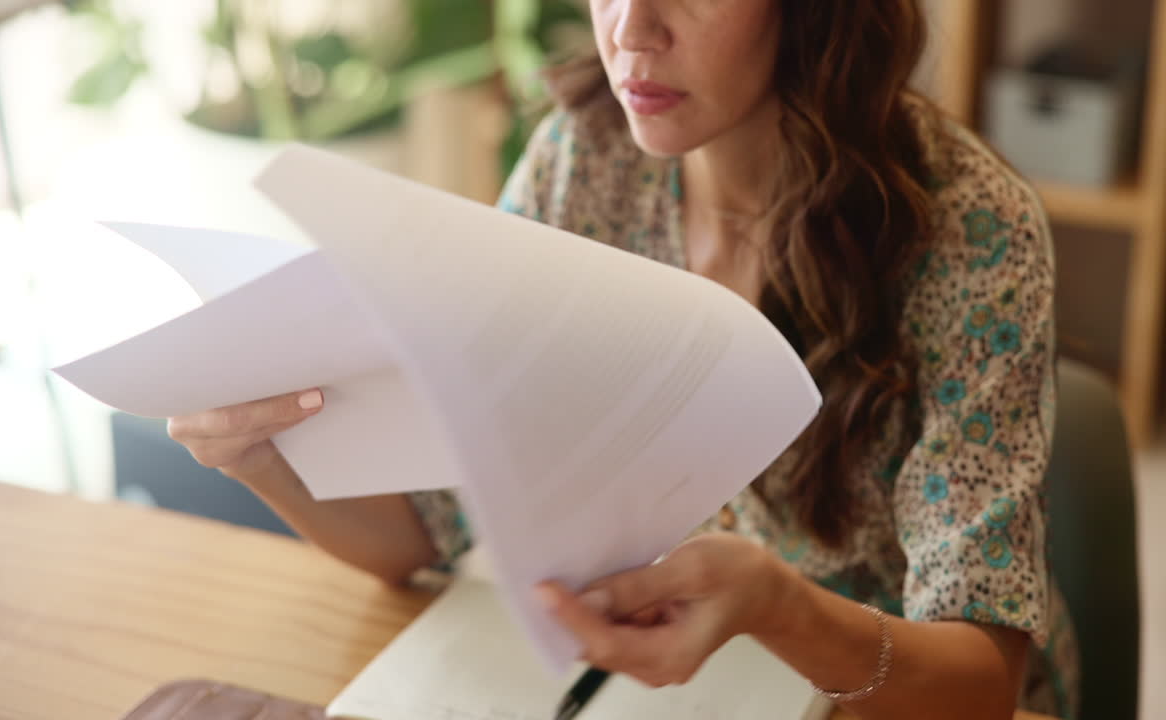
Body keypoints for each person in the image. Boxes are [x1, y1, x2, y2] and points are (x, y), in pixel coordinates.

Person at [167, 1, 1080, 717]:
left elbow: (980, 690)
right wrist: (262, 457)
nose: (630, 31)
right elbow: (430, 529)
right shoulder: (585, 161)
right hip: (666, 691)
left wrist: (777, 606)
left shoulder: (970, 231)